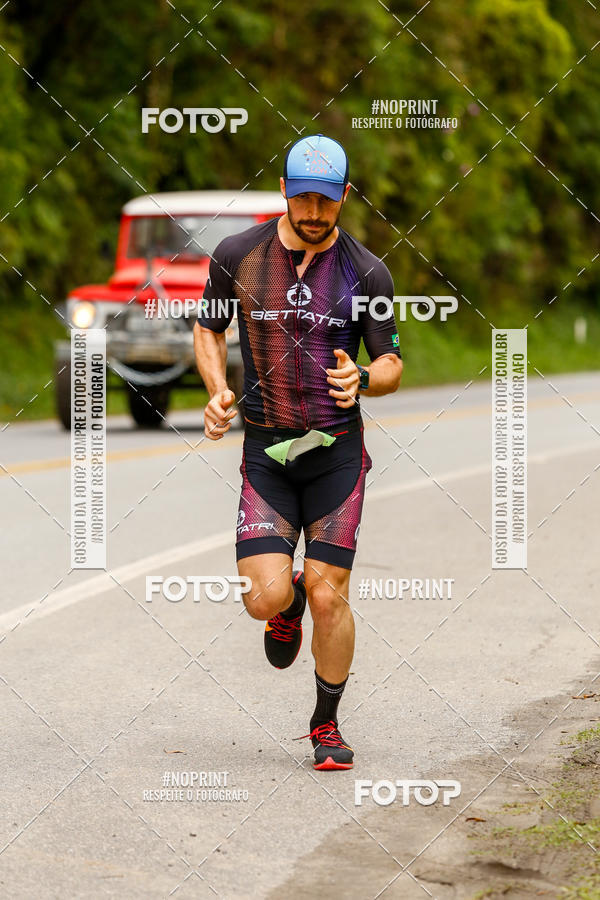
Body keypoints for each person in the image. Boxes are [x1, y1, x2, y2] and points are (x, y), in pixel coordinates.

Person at [193, 134, 403, 770]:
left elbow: (391, 362)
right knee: (266, 594)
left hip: (337, 450)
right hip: (268, 451)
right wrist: (218, 389)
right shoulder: (238, 253)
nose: (314, 213)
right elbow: (209, 327)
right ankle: (280, 614)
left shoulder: (366, 271)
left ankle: (326, 724)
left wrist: (362, 378)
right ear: (284, 190)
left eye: (327, 201)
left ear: (343, 197)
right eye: (304, 198)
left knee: (328, 592)